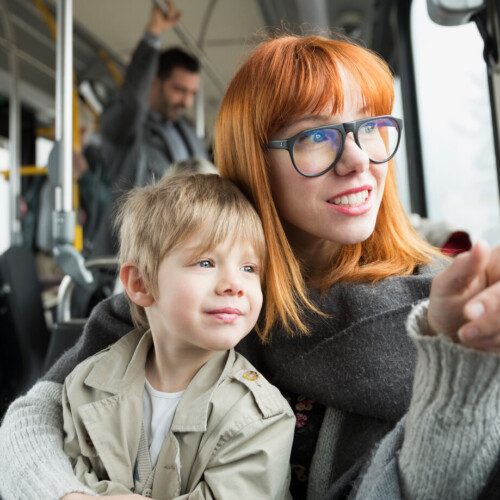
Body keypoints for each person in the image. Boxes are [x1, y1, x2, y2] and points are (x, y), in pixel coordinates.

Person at [1, 33, 500, 500]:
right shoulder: (178, 302)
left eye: (370, 127)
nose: (358, 160)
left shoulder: (443, 313)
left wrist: (462, 363)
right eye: (316, 136)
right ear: (254, 160)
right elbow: (30, 423)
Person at [61, 172, 294, 498]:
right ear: (141, 284)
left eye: (249, 268)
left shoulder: (261, 418)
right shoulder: (85, 386)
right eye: (205, 262)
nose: (234, 284)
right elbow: (62, 477)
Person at [92, 0, 207, 255]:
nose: (186, 101)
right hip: (131, 253)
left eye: (191, 93)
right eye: (179, 90)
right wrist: (152, 36)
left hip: (180, 250)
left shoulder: (187, 135)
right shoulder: (128, 130)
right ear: (155, 84)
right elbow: (132, 101)